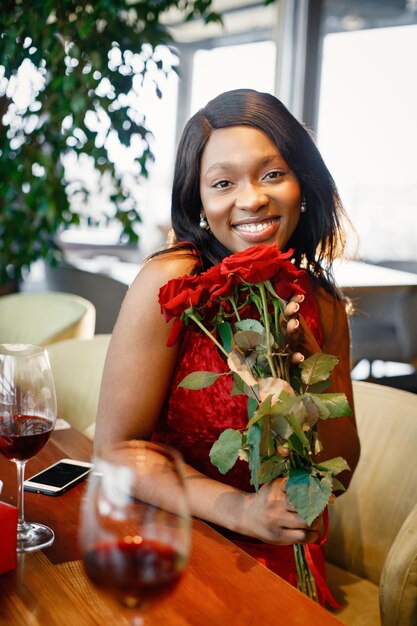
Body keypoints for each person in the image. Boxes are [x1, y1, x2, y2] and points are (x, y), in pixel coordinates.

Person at [94, 89, 360, 598]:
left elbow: (342, 470)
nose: (252, 198)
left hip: (285, 558)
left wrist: (308, 375)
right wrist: (240, 511)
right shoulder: (174, 286)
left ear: (303, 183)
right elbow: (117, 450)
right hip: (175, 534)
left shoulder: (321, 302)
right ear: (199, 201)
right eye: (223, 182)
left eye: (273, 174)